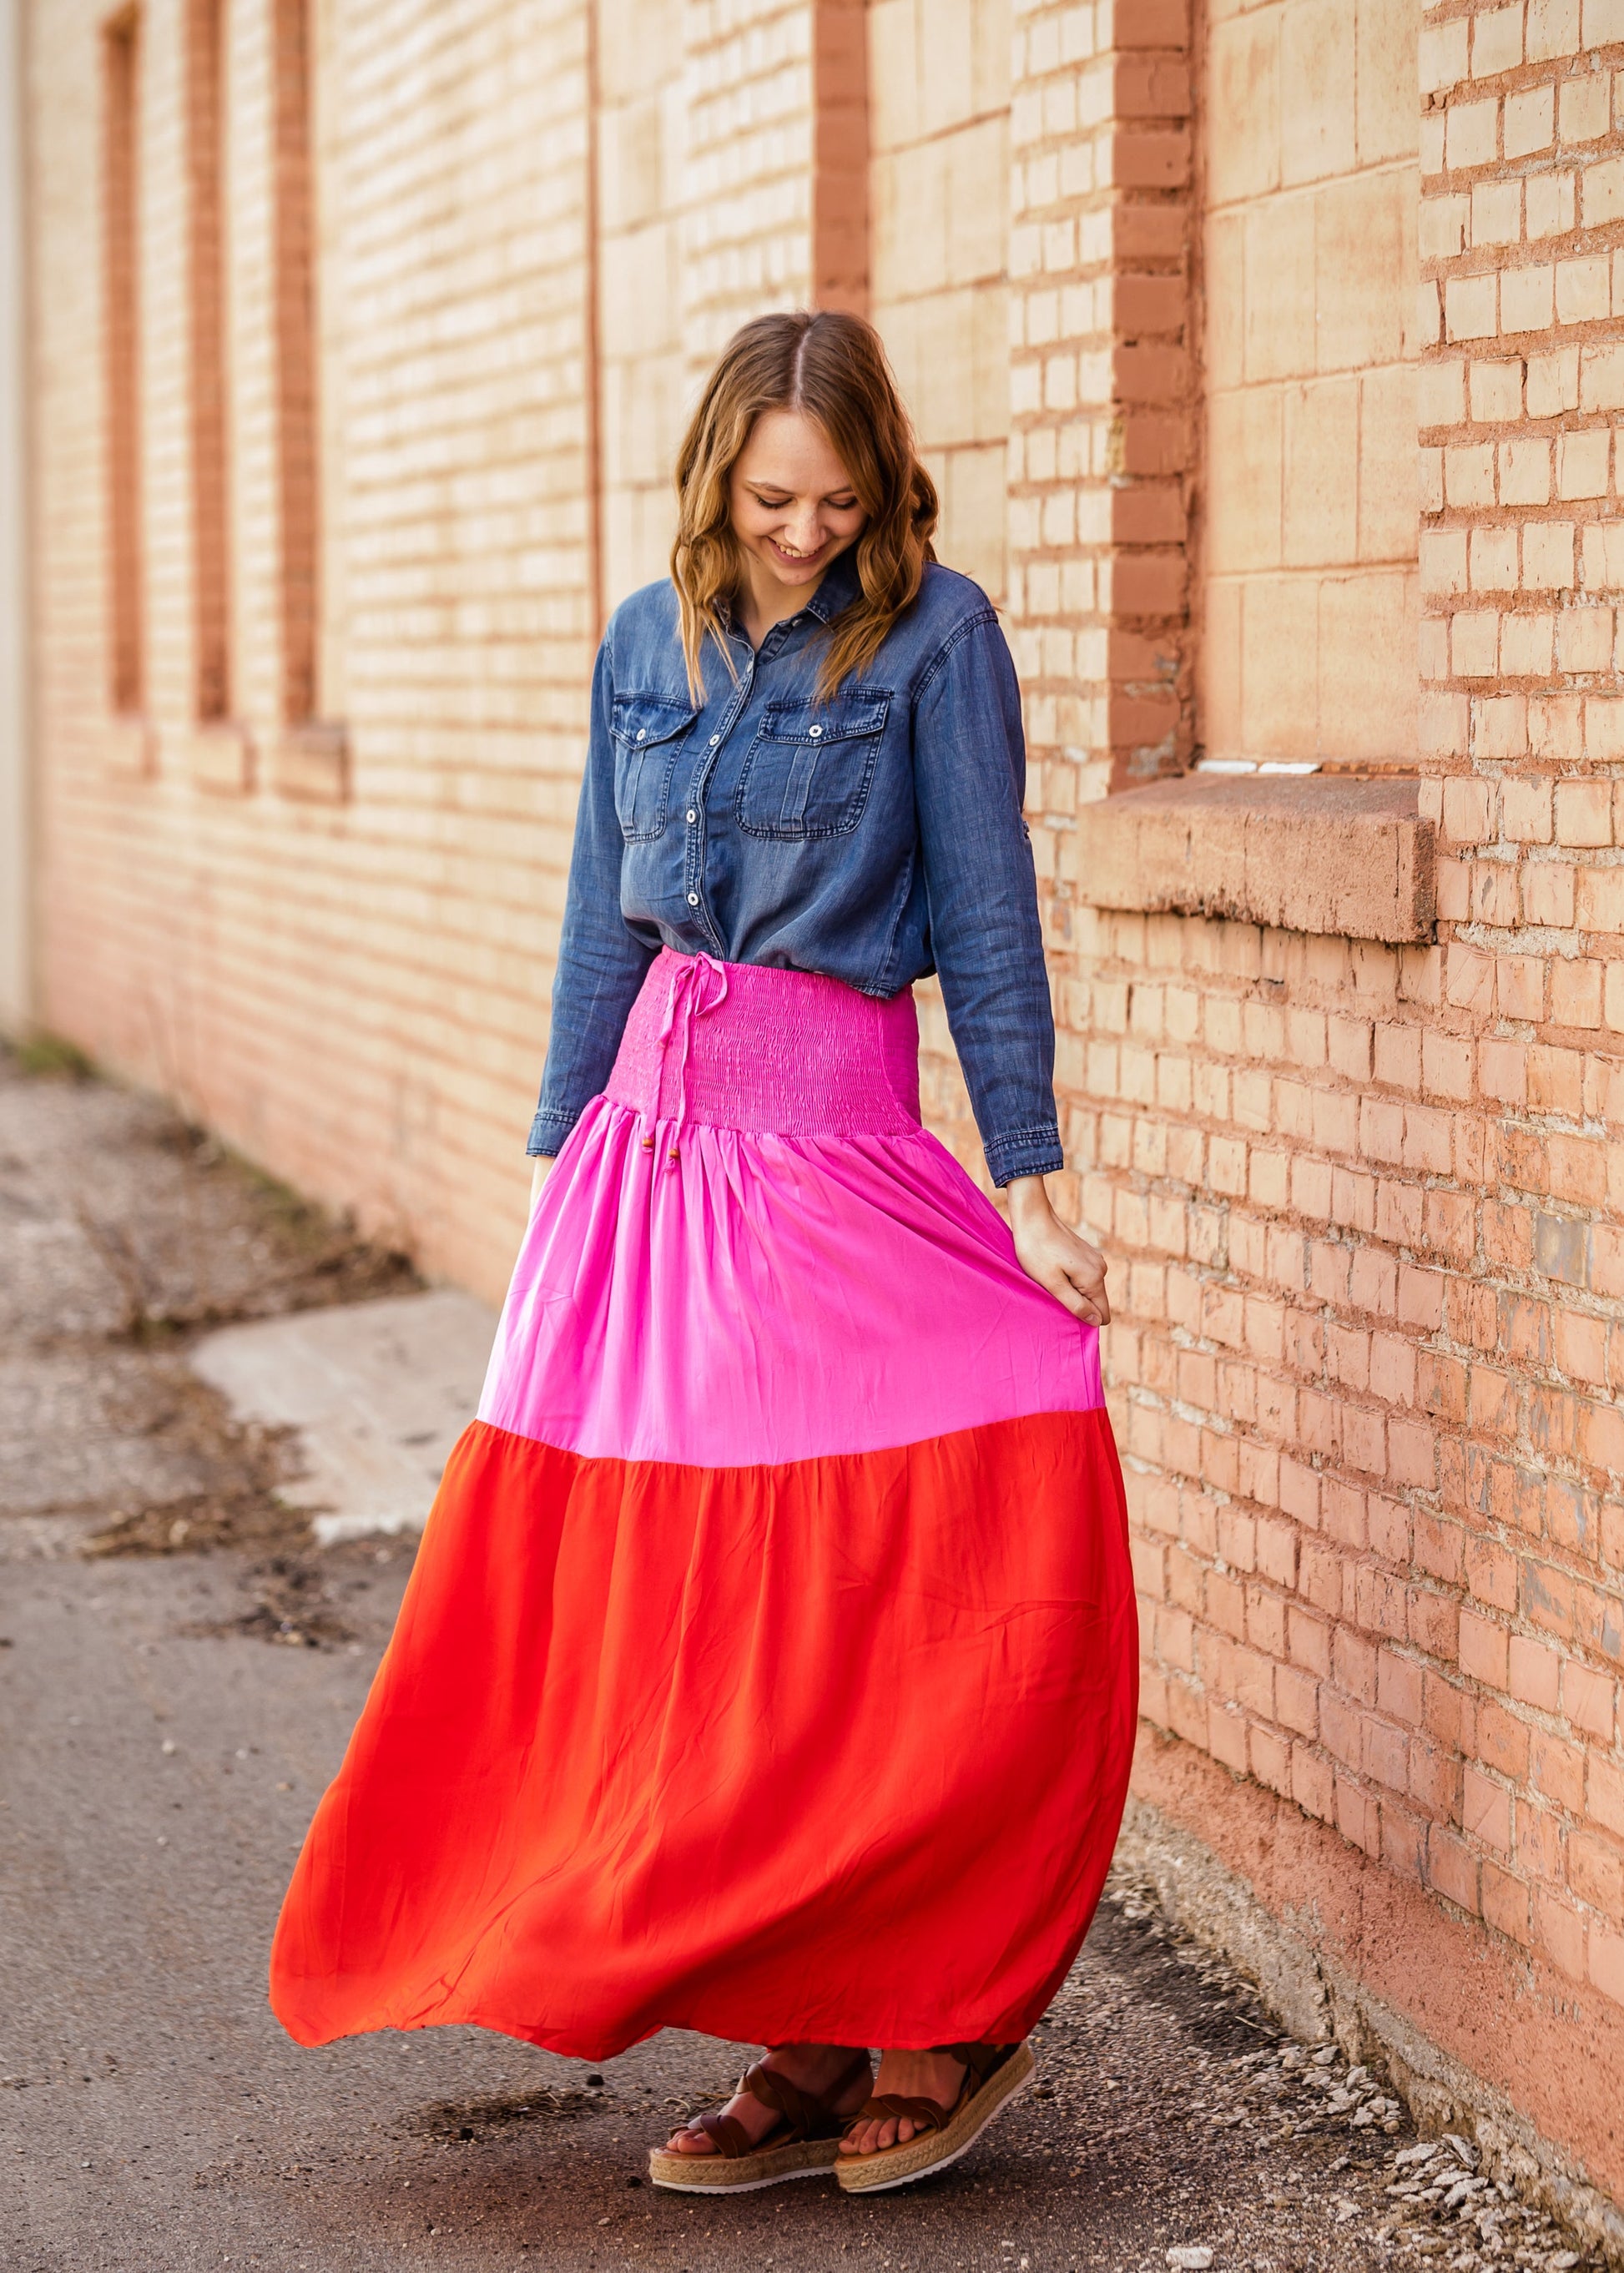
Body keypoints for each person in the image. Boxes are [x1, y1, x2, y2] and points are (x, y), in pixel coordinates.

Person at [269, 309, 1137, 2201]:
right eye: (769, 499)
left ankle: (936, 2006)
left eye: (836, 500)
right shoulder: (644, 640)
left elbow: (988, 920)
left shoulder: (939, 641)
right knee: (699, 1623)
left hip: (837, 1155)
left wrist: (1035, 1182)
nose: (805, 532)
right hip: (651, 1179)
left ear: (882, 483)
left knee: (882, 1583)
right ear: (714, 478)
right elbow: (605, 914)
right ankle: (805, 2028)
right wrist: (554, 1161)